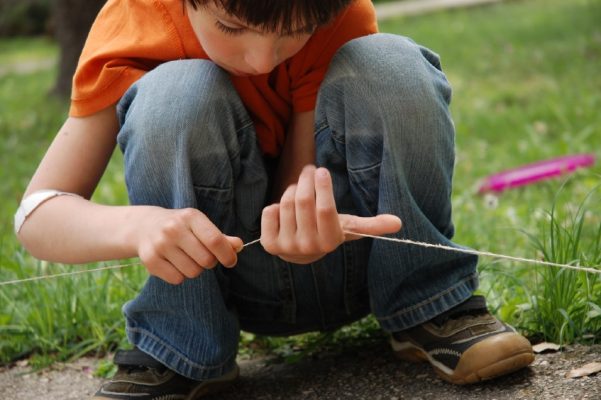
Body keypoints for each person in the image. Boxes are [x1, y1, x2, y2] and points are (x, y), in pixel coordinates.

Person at [15, 0, 535, 398]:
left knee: (391, 64)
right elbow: (36, 216)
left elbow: (297, 180)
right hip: (222, 280)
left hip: (356, 256)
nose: (262, 58)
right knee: (175, 92)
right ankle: (182, 347)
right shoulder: (135, 22)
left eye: (292, 33)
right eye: (232, 28)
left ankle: (430, 306)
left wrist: (305, 221)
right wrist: (136, 226)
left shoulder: (328, 8)